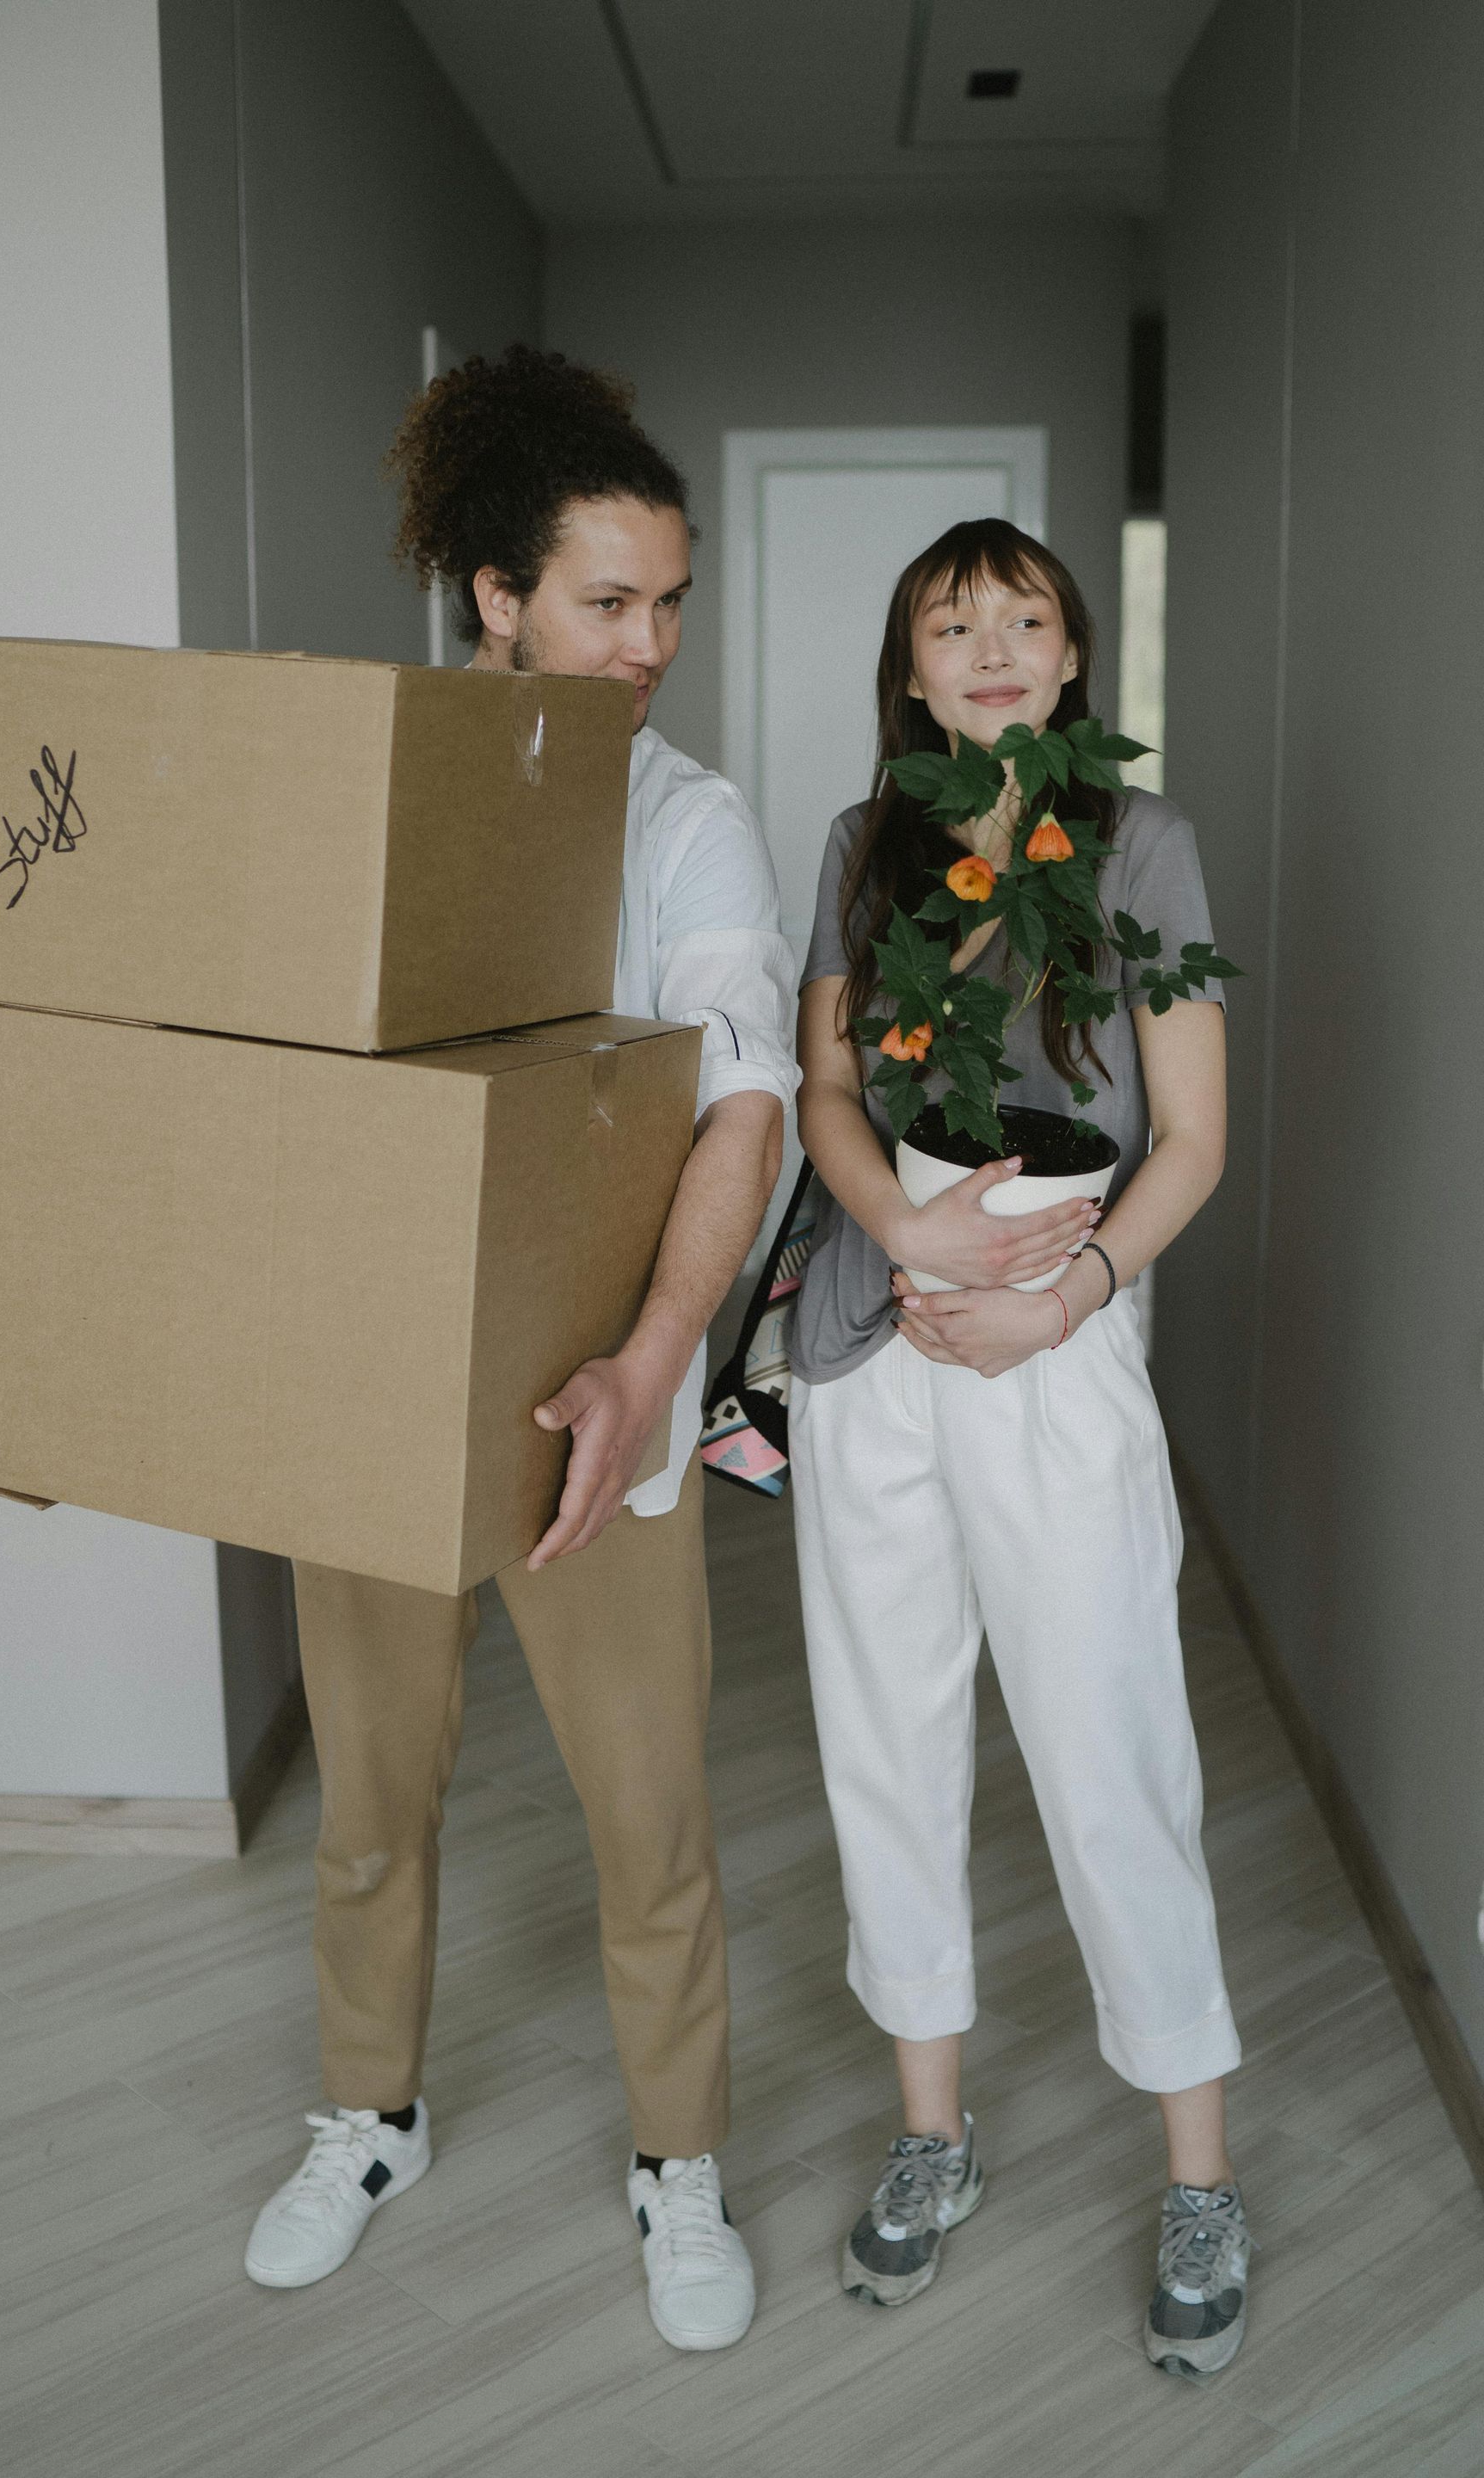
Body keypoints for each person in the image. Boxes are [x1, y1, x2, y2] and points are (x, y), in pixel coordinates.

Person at [243, 347, 797, 2355]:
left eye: (670, 601)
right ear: (495, 594)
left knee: (647, 1817)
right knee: (372, 1800)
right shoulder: (360, 787)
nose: (651, 643)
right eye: (607, 601)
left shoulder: (687, 818)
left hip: (602, 1393)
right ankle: (366, 2117)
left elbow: (738, 1102)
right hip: (372, 1387)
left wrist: (656, 1360)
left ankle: (682, 2164)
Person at [788, 517, 1251, 2377]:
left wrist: (1060, 1302)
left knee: (1109, 1745)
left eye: (1024, 620)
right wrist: (904, 1239)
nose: (988, 647)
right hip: (878, 1331)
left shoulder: (1141, 845)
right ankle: (930, 2133)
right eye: (949, 622)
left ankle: (1198, 2170)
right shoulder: (863, 843)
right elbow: (827, 1089)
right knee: (883, 1746)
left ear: (1071, 663)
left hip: (1051, 1341)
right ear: (909, 668)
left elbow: (1194, 1139)